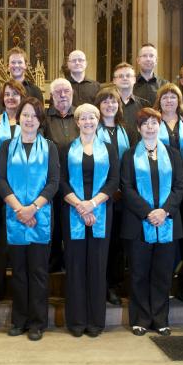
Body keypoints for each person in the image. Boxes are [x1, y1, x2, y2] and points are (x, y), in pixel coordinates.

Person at [0, 97, 60, 341]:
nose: (29, 119)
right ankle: (19, 320)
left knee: (38, 272)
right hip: (15, 216)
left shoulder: (50, 147)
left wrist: (32, 208)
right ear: (18, 118)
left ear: (40, 119)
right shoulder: (6, 147)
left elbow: (54, 182)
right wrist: (19, 209)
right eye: (25, 115)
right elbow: (0, 180)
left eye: (33, 115)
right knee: (19, 272)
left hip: (40, 216)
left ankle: (37, 323)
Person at [121, 108, 183, 336]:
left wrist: (164, 211)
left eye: (154, 123)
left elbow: (180, 186)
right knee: (139, 273)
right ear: (138, 128)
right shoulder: (129, 155)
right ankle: (140, 318)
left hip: (167, 222)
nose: (150, 126)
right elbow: (126, 188)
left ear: (160, 126)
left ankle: (160, 318)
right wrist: (149, 212)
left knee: (162, 273)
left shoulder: (174, 154)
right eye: (145, 123)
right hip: (139, 224)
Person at [59, 104, 119, 337]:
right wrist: (80, 205)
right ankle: (76, 321)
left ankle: (95, 321)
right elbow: (61, 181)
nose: (88, 121)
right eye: (83, 118)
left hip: (101, 211)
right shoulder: (66, 148)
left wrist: (92, 204)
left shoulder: (109, 149)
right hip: (73, 210)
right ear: (77, 122)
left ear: (98, 120)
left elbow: (114, 181)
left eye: (92, 117)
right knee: (74, 267)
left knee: (96, 265)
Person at [152, 82, 183, 302]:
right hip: (159, 189)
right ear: (159, 101)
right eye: (165, 97)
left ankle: (182, 281)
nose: (169, 101)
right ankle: (164, 282)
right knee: (165, 238)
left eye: (173, 97)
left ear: (179, 101)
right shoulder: (152, 124)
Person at [0, 79, 25, 302]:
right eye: (7, 94)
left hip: (24, 187)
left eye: (15, 94)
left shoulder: (30, 121)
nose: (11, 98)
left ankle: (19, 290)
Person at [94, 87, 133, 306]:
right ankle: (101, 284)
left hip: (121, 196)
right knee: (102, 243)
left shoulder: (123, 130)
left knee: (117, 244)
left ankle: (114, 285)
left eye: (114, 102)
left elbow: (127, 161)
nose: (110, 105)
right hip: (100, 196)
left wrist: (122, 188)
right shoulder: (93, 128)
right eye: (105, 102)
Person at [44, 78, 79, 272]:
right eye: (58, 92)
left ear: (72, 93)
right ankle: (54, 260)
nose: (63, 95)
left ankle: (72, 261)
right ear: (51, 95)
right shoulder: (45, 118)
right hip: (52, 178)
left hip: (76, 179)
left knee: (72, 220)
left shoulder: (80, 116)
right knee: (54, 222)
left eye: (66, 91)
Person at [113, 62, 143, 132]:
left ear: (134, 79)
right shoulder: (107, 106)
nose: (125, 78)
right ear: (114, 81)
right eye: (120, 76)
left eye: (128, 76)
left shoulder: (144, 105)